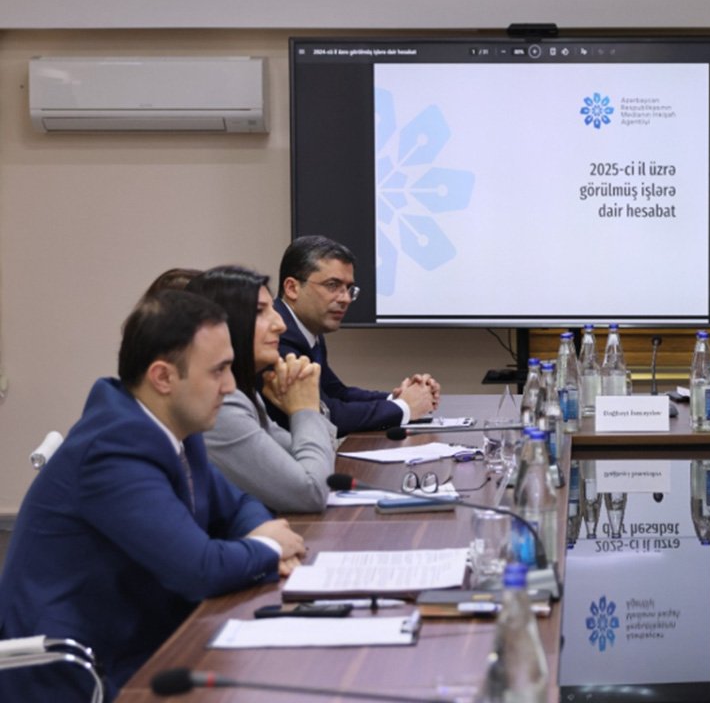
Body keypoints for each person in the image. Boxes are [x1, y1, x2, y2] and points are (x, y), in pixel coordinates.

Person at [0, 291, 306, 701]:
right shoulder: (113, 449)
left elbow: (238, 506)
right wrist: (270, 547)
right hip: (79, 673)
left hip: (146, 638)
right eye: (218, 371)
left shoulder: (175, 426)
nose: (231, 386)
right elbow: (198, 569)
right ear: (163, 378)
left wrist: (263, 534)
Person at [188, 266, 337, 513]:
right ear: (220, 325)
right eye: (260, 312)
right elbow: (310, 492)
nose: (280, 324)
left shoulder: (243, 391)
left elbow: (319, 458)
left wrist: (308, 407)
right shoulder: (222, 404)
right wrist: (305, 409)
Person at [269, 235, 440, 436]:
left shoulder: (306, 328)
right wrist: (405, 407)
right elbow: (326, 414)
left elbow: (336, 392)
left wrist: (398, 398)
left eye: (349, 289)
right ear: (292, 288)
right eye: (332, 285)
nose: (345, 299)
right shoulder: (276, 336)